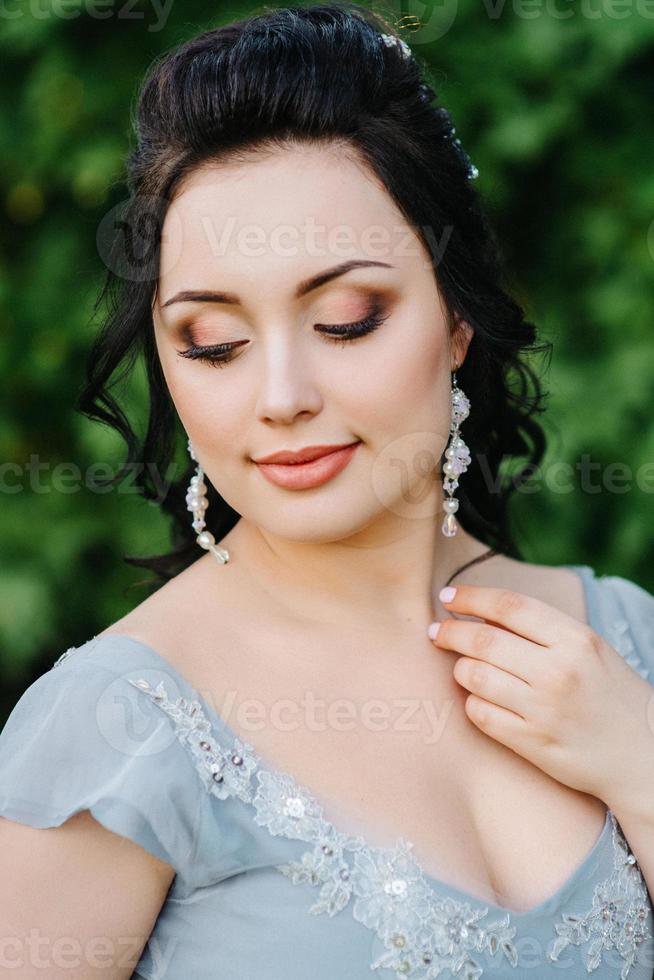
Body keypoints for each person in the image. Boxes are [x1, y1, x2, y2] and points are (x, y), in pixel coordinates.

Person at [1, 5, 653, 978]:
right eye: (213, 342)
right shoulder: (115, 732)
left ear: (457, 318)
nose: (280, 398)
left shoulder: (621, 639)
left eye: (346, 320)